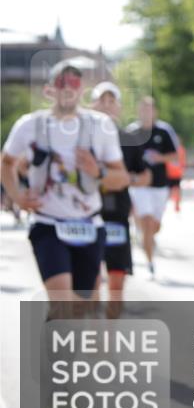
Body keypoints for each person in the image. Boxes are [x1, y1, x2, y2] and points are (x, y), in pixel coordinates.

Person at [0, 60, 128, 318]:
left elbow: (121, 177)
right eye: (62, 82)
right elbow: (7, 163)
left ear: (82, 90)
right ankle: (58, 354)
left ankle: (58, 347)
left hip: (89, 225)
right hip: (48, 225)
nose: (68, 88)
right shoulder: (30, 124)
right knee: (63, 305)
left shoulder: (100, 125)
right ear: (49, 90)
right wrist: (17, 197)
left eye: (75, 82)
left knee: (81, 308)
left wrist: (98, 171)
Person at [89, 81, 152, 318]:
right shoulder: (80, 137)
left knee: (116, 281)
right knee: (91, 281)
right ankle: (93, 337)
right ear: (92, 104)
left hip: (117, 216)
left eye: (111, 100)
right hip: (87, 217)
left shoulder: (129, 139)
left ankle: (109, 337)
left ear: (119, 107)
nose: (106, 105)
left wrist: (124, 180)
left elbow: (145, 176)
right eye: (101, 100)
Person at [125, 97, 178, 279]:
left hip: (160, 186)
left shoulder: (163, 132)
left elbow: (174, 155)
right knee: (147, 222)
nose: (146, 112)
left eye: (150, 109)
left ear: (155, 112)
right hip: (140, 186)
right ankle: (150, 263)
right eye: (143, 109)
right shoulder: (132, 132)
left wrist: (159, 158)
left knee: (155, 226)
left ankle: (144, 237)